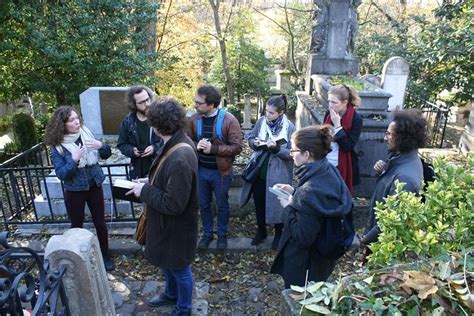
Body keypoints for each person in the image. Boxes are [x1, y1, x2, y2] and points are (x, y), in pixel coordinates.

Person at [127, 97, 198, 316]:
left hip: (175, 227)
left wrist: (144, 192)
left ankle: (184, 307)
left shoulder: (180, 155)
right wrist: (149, 182)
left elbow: (174, 204)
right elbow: (169, 182)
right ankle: (170, 294)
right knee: (167, 263)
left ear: (157, 127)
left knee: (179, 268)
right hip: (166, 225)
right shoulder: (175, 143)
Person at [270, 125, 353, 288]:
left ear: (306, 154)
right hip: (322, 259)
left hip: (305, 264)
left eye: (293, 150)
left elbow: (302, 237)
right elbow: (317, 206)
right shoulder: (326, 169)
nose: (291, 154)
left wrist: (288, 207)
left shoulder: (309, 191)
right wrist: (294, 192)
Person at [44, 106, 115, 271]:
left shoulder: (86, 133)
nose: (77, 122)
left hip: (94, 186)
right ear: (63, 124)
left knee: (100, 223)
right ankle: (77, 257)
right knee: (77, 225)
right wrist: (74, 160)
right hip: (74, 191)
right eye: (71, 120)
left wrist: (101, 145)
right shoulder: (58, 146)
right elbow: (62, 173)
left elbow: (106, 154)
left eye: (77, 118)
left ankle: (105, 254)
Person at [187, 84, 243, 250]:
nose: (195, 105)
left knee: (222, 204)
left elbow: (237, 147)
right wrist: (196, 145)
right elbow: (187, 139)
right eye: (195, 102)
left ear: (211, 104)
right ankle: (207, 234)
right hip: (201, 170)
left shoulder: (228, 120)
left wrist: (214, 149)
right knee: (203, 204)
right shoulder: (194, 119)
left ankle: (222, 235)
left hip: (221, 172)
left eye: (199, 103)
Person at [361, 110, 426, 247]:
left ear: (404, 138)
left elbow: (391, 220)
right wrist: (382, 172)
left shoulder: (405, 178)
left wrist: (364, 240)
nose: (385, 138)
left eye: (389, 134)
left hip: (384, 245)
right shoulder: (400, 157)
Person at [240, 95, 296, 249]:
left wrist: (276, 148)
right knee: (259, 201)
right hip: (259, 169)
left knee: (278, 203)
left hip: (279, 171)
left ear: (281, 113)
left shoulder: (289, 127)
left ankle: (278, 234)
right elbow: (251, 138)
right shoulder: (261, 122)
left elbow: (292, 153)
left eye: (271, 113)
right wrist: (256, 143)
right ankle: (261, 231)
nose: (267, 115)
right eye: (266, 111)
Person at [118, 85, 163, 179]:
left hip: (157, 165)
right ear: (134, 105)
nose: (147, 104)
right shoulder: (127, 122)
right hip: (137, 168)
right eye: (142, 102)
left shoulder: (159, 117)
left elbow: (170, 139)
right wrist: (132, 150)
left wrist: (154, 148)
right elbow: (122, 144)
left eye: (148, 99)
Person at [324, 84, 362, 193]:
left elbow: (348, 146)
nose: (330, 106)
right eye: (329, 101)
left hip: (343, 164)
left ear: (345, 102)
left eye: (334, 102)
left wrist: (337, 126)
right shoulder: (329, 114)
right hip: (326, 161)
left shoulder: (356, 119)